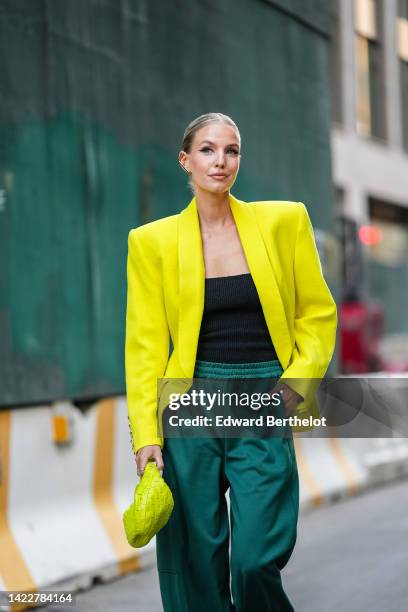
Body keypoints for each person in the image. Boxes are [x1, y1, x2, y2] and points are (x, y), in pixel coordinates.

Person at [125, 112, 337, 611]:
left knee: (255, 559)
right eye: (207, 149)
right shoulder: (150, 243)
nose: (220, 161)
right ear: (185, 160)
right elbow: (144, 347)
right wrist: (148, 437)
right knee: (196, 561)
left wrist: (294, 389)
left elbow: (317, 313)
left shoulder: (285, 221)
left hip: (263, 401)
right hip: (190, 408)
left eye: (231, 150)